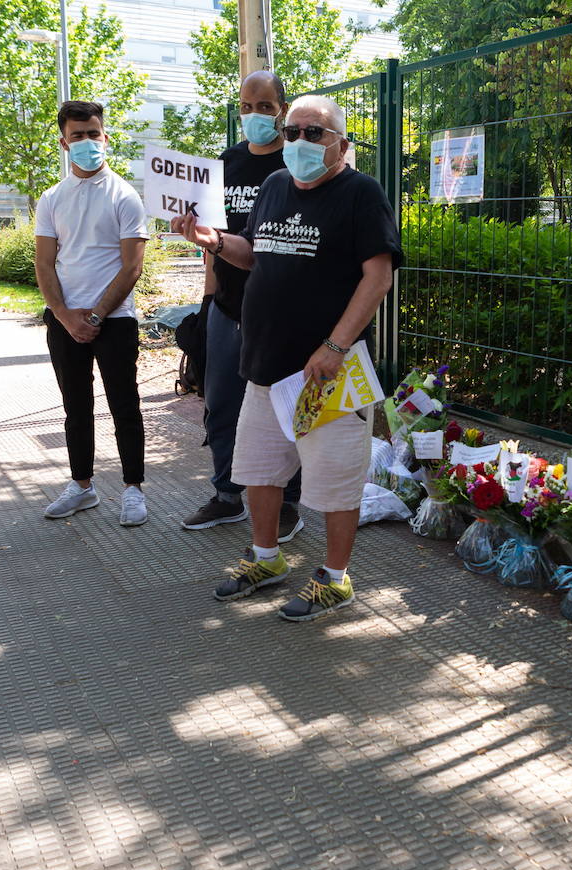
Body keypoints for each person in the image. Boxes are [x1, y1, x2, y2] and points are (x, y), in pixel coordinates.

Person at [173, 94, 400, 621]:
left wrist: (336, 345)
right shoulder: (275, 186)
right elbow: (253, 252)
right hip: (266, 364)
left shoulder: (360, 193)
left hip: (327, 372)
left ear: (341, 145)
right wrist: (213, 240)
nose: (299, 141)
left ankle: (336, 579)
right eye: (292, 131)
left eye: (314, 133)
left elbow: (378, 276)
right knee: (259, 470)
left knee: (336, 480)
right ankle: (267, 559)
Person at [181, 70, 305, 541]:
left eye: (265, 106)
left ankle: (288, 501)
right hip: (228, 308)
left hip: (278, 311)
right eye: (246, 107)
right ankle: (226, 495)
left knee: (282, 408)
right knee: (222, 403)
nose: (254, 115)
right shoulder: (224, 164)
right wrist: (207, 304)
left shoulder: (297, 165)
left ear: (282, 109)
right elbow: (211, 241)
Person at [34, 100, 150, 526]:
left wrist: (97, 316)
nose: (87, 142)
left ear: (106, 137)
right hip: (65, 321)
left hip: (115, 321)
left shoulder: (125, 195)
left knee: (125, 404)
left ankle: (133, 489)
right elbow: (45, 263)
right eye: (78, 135)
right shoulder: (52, 198)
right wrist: (65, 315)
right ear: (64, 142)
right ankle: (81, 486)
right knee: (75, 407)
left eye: (93, 133)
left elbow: (131, 266)